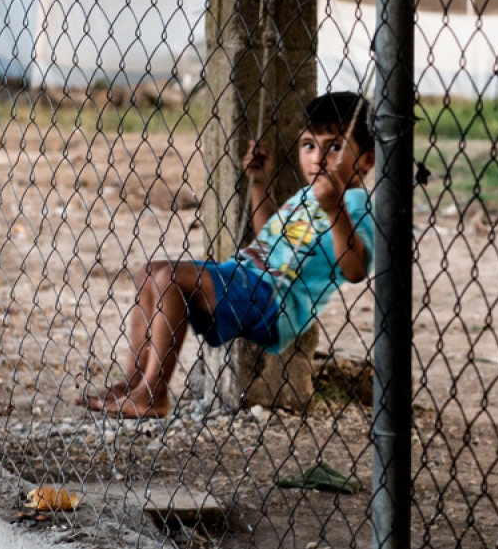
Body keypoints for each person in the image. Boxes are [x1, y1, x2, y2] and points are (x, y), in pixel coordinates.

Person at [86, 91, 375, 419]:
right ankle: (135, 382)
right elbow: (270, 237)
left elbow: (355, 269)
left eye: (334, 147)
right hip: (248, 278)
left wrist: (335, 210)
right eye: (309, 145)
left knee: (169, 278)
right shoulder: (307, 196)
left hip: (275, 302)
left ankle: (154, 393)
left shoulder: (357, 206)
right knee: (149, 272)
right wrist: (259, 182)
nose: (318, 158)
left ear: (366, 160)